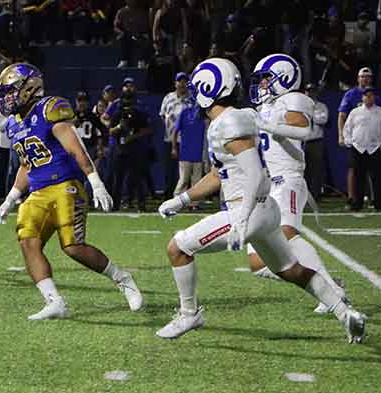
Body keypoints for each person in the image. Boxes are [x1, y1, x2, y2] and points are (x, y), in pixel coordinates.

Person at [156, 58, 365, 342]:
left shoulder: (226, 122)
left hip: (249, 209)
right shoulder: (233, 118)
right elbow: (220, 174)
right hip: (265, 211)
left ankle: (189, 314)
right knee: (292, 269)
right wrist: (180, 200)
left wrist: (241, 218)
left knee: (178, 248)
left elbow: (256, 175)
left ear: (209, 87)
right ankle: (345, 313)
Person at [0, 63, 144, 320]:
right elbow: (26, 163)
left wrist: (95, 181)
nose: (7, 97)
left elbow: (76, 149)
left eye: (11, 91)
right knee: (28, 241)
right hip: (38, 192)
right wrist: (11, 197)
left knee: (73, 247)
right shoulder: (13, 124)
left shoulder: (49, 109)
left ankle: (123, 279)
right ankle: (54, 302)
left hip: (65, 185)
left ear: (29, 88)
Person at [246, 54, 346, 315]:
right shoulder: (265, 107)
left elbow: (304, 131)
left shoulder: (295, 99)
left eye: (267, 78)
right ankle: (325, 283)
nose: (262, 85)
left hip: (288, 180)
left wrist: (273, 128)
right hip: (269, 187)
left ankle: (332, 293)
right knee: (257, 263)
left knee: (288, 234)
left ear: (284, 76)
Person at [337, 67, 373, 207]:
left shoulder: (376, 94)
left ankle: (373, 198)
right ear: (358, 78)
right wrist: (341, 135)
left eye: (367, 76)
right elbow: (342, 115)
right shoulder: (351, 94)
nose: (365, 79)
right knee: (353, 168)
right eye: (362, 76)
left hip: (373, 138)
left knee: (373, 170)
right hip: (356, 138)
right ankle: (352, 198)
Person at [342, 87, 381, 211]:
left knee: (377, 177)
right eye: (366, 95)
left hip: (375, 148)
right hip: (358, 148)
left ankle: (378, 203)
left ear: (375, 97)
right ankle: (357, 203)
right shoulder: (355, 112)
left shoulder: (380, 111)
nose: (368, 97)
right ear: (362, 97)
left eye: (371, 95)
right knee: (358, 177)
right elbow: (347, 127)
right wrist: (349, 142)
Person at [159, 72, 190, 200]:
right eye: (179, 81)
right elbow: (162, 115)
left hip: (186, 141)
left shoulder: (192, 99)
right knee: (169, 170)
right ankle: (168, 196)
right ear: (175, 83)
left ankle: (183, 198)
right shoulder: (168, 98)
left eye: (184, 81)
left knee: (185, 172)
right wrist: (170, 130)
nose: (182, 84)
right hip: (169, 139)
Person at [171, 98, 205, 203]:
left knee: (197, 182)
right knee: (183, 180)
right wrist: (174, 148)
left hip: (199, 153)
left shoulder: (204, 115)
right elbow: (175, 132)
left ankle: (194, 203)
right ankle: (176, 201)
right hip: (185, 153)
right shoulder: (184, 113)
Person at [303, 83, 327, 202]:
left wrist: (310, 113)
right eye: (308, 91)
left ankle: (315, 195)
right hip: (302, 141)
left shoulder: (321, 106)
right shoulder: (300, 107)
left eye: (312, 91)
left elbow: (323, 119)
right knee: (304, 169)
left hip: (316, 141)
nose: (310, 93)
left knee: (316, 170)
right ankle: (304, 196)